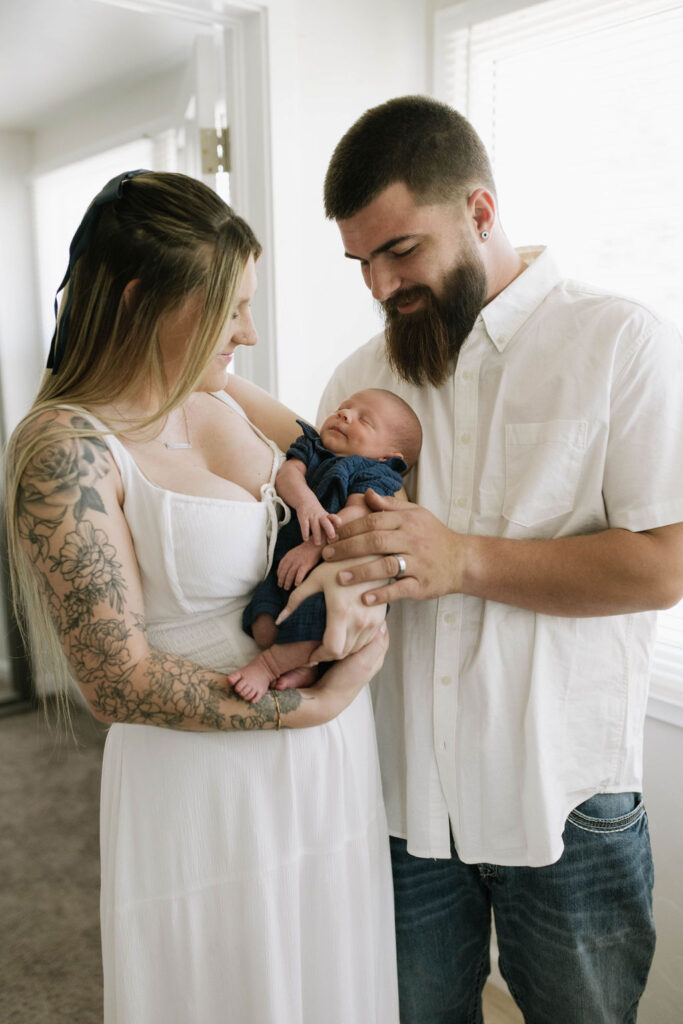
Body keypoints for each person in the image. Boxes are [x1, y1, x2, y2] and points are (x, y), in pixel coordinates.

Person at [276, 96, 683, 1023]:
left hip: (568, 797)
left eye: (400, 251)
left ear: (480, 211)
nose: (378, 285)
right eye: (360, 262)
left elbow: (664, 566)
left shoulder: (621, 345)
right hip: (399, 799)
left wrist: (461, 560)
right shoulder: (357, 380)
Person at [5, 170, 400, 1023]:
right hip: (208, 777)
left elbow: (344, 480)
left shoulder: (215, 393)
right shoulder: (67, 447)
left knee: (328, 979)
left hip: (326, 762)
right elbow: (115, 680)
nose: (248, 334)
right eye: (229, 309)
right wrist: (318, 704)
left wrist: (361, 602)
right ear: (144, 300)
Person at [228, 388, 422, 703]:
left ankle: (268, 666)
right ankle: (307, 666)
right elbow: (289, 475)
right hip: (286, 567)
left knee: (321, 623)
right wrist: (307, 504)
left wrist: (315, 547)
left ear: (388, 457)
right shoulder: (312, 446)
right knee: (263, 627)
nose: (345, 414)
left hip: (335, 576)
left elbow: (358, 513)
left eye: (364, 420)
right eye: (344, 407)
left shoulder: (373, 472)